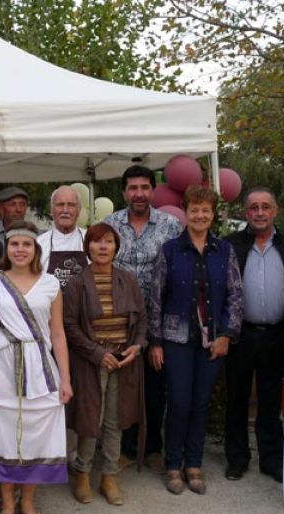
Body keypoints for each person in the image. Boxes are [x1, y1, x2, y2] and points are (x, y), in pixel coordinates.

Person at [0, 220, 72, 514]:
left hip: (41, 367)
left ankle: (28, 502)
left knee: (35, 435)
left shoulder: (51, 284)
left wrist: (66, 379)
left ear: (35, 249)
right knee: (3, 433)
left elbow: (58, 334)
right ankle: (7, 505)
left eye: (26, 244)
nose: (20, 250)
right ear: (7, 249)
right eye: (14, 244)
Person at [148, 186, 243, 495]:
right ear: (185, 213)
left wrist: (227, 334)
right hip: (176, 339)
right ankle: (173, 464)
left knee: (200, 403)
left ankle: (194, 463)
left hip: (212, 340)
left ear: (213, 214)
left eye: (206, 210)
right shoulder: (170, 250)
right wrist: (156, 341)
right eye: (194, 210)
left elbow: (235, 296)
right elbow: (156, 299)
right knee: (178, 401)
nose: (200, 215)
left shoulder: (225, 251)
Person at [102, 165, 182, 472]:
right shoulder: (110, 225)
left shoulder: (170, 226)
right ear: (124, 192)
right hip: (118, 321)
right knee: (122, 386)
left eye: (145, 187)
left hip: (158, 319)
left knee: (154, 384)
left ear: (153, 190)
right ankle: (125, 448)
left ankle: (152, 449)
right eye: (133, 187)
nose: (139, 193)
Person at [224, 186, 284, 482]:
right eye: (253, 207)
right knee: (237, 396)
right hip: (239, 333)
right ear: (246, 213)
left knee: (271, 399)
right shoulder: (231, 244)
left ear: (275, 210)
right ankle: (237, 458)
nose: (259, 212)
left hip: (275, 334)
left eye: (265, 207)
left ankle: (271, 459)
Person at [63, 223, 146, 505]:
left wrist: (137, 345)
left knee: (115, 420)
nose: (102, 247)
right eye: (97, 242)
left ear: (115, 247)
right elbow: (70, 325)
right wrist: (97, 354)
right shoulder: (77, 283)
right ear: (88, 247)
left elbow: (141, 320)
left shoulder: (128, 280)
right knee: (90, 419)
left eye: (108, 242)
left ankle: (109, 476)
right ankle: (83, 472)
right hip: (91, 361)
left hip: (123, 360)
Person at [37, 185, 87, 287]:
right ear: (51, 210)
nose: (65, 210)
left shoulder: (90, 239)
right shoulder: (39, 243)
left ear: (79, 210)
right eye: (60, 205)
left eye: (71, 205)